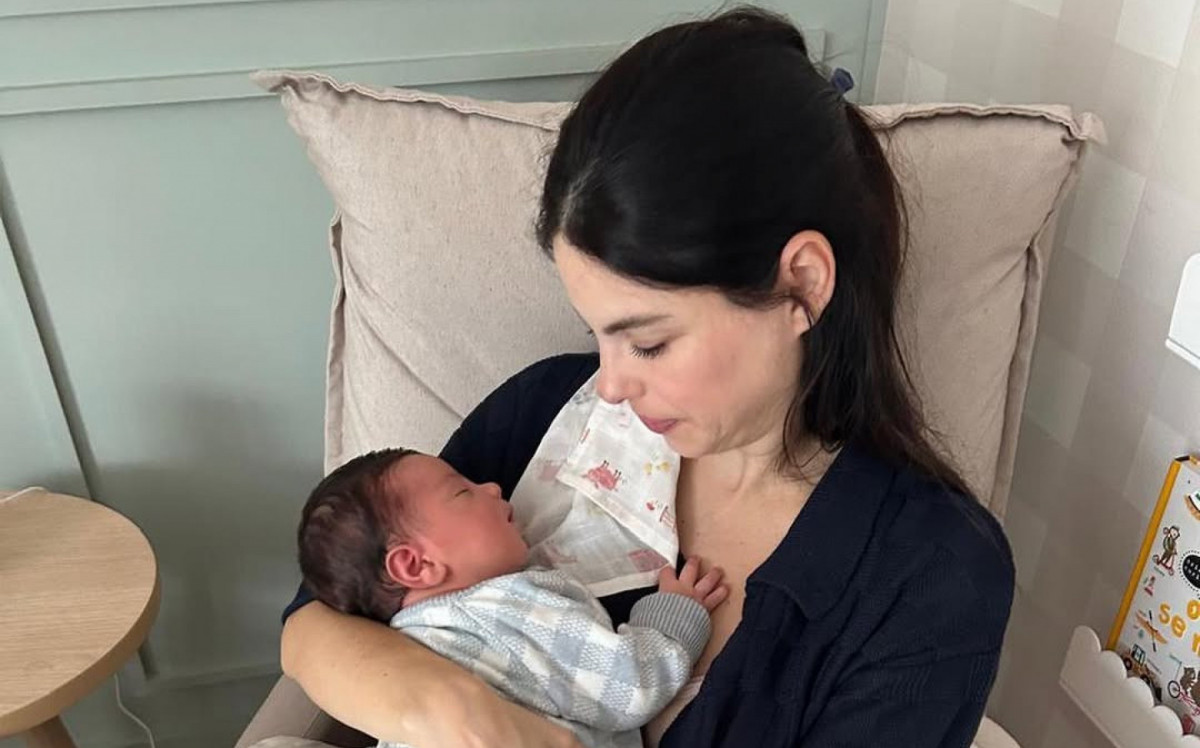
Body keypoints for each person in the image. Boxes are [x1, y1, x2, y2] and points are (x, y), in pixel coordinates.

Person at [279, 7, 1015, 747]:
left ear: (801, 282)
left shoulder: (930, 570)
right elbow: (317, 622)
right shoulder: (541, 413)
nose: (609, 388)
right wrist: (457, 714)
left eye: (649, 343)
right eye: (597, 333)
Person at [295, 447, 727, 748]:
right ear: (416, 565)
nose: (492, 487)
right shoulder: (506, 609)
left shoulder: (408, 644)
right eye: (463, 492)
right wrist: (672, 615)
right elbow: (630, 685)